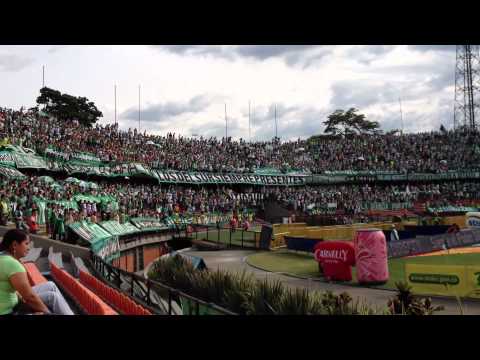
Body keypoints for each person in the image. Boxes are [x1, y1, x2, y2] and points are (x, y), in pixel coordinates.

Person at [0, 229, 73, 315]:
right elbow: (30, 297)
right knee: (53, 297)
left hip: (14, 301)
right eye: (26, 244)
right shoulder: (12, 264)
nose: (28, 248)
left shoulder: (2, 256)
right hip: (10, 311)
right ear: (15, 245)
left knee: (51, 285)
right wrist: (48, 313)